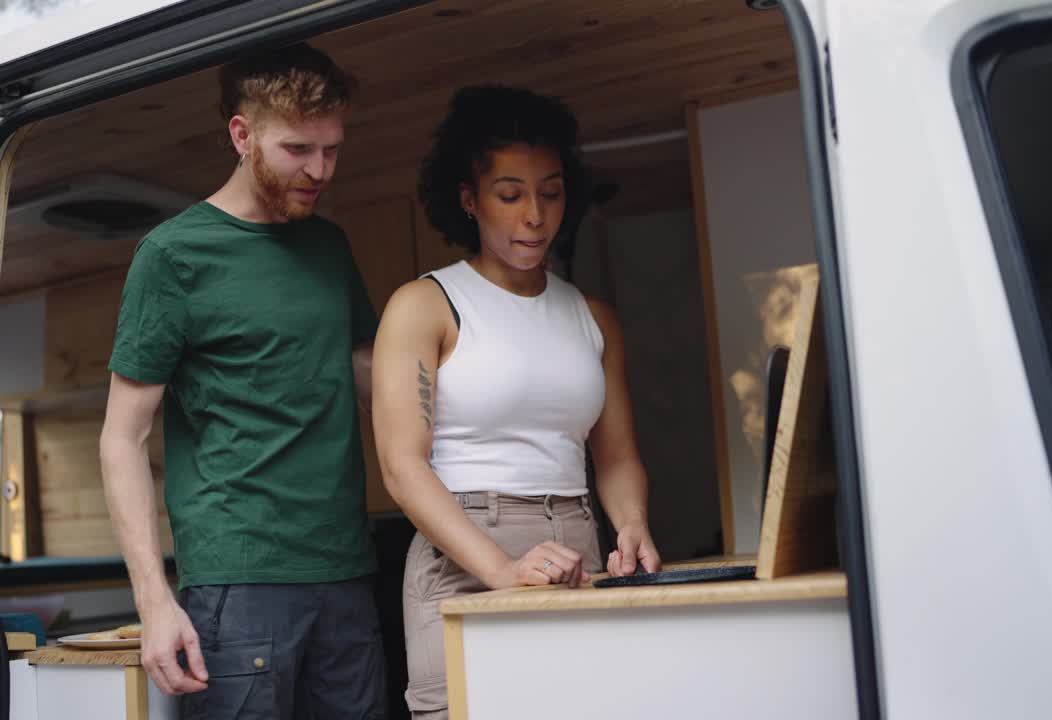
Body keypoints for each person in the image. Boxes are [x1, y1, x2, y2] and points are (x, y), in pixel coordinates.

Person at [100, 44, 385, 719]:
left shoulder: (329, 246)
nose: (319, 170)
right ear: (241, 134)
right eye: (297, 149)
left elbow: (375, 382)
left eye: (332, 149)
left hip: (348, 573)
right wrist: (154, 599)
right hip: (239, 587)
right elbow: (122, 437)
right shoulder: (173, 256)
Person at [371, 85, 663, 718]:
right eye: (510, 195)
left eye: (551, 192)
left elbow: (614, 457)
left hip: (577, 547)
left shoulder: (593, 317)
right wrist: (501, 568)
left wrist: (632, 523)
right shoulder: (424, 304)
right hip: (466, 549)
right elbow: (402, 468)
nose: (535, 214)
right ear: (469, 200)